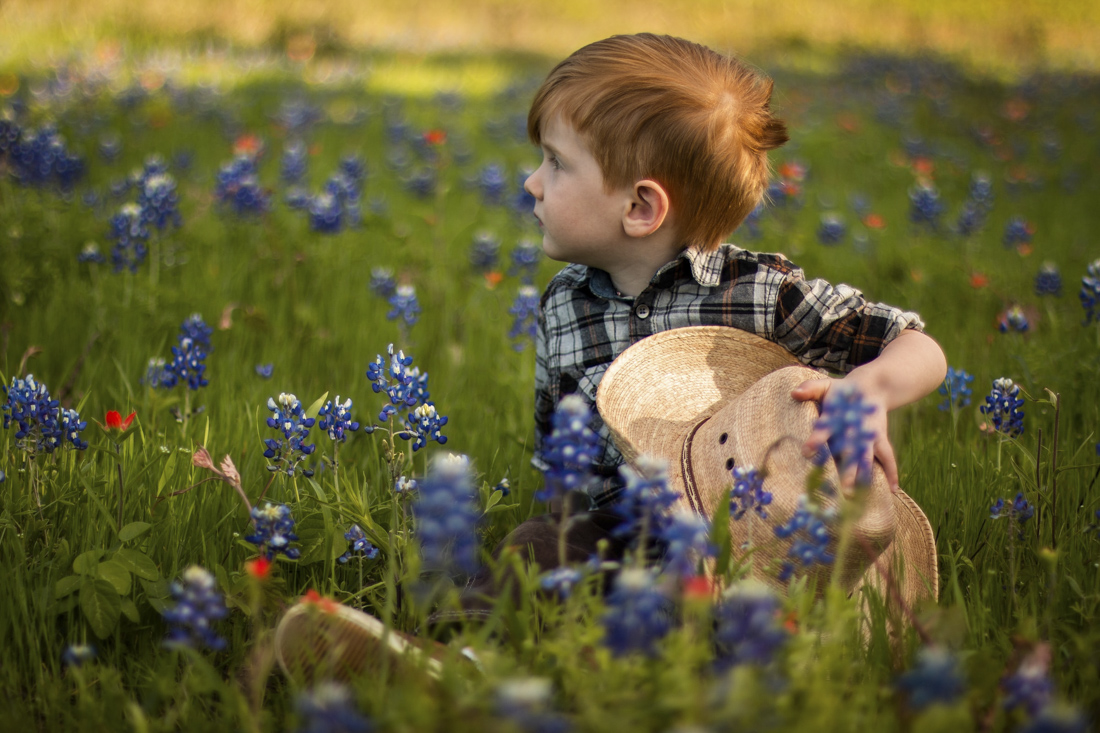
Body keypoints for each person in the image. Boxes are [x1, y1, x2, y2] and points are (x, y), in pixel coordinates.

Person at [274, 32, 947, 677]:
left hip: (747, 552)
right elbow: (558, 450)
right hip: (608, 528)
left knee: (709, 619)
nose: (532, 183)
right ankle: (458, 661)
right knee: (529, 550)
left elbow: (916, 343)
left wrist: (873, 388)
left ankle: (614, 671)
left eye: (557, 163)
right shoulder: (565, 304)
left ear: (640, 206)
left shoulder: (765, 294)